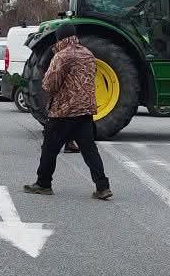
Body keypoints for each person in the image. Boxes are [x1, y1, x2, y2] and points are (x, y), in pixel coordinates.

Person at [22, 25, 112, 199]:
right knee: (89, 150)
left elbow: (49, 84)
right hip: (85, 110)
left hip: (64, 111)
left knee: (49, 148)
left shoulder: (62, 56)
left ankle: (43, 183)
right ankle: (103, 186)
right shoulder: (88, 53)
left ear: (60, 39)